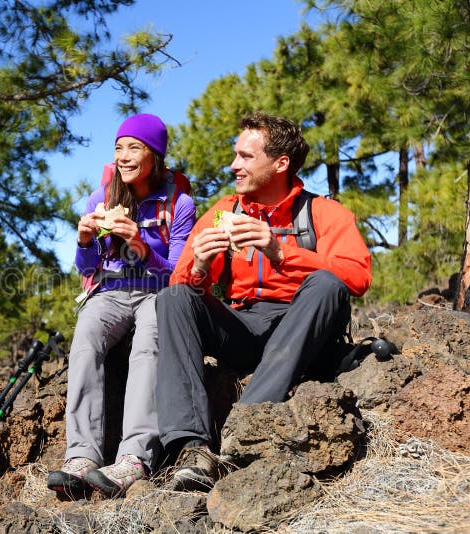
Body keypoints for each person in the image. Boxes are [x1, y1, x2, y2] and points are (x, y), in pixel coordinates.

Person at [156, 111, 372, 491]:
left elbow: (356, 277)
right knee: (174, 296)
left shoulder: (322, 212)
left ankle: (243, 430)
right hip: (245, 326)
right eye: (235, 155)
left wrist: (280, 251)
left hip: (303, 329)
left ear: (280, 163)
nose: (233, 164)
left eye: (245, 156)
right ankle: (193, 448)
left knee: (326, 283)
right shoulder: (226, 211)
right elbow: (185, 289)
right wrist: (201, 265)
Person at [46, 114, 195, 498]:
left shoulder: (178, 203)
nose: (124, 156)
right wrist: (83, 241)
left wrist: (142, 249)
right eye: (118, 148)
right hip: (109, 291)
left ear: (155, 155)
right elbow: (87, 268)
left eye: (134, 147)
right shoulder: (101, 199)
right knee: (85, 340)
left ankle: (134, 457)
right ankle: (81, 456)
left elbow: (179, 272)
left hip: (155, 291)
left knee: (149, 344)